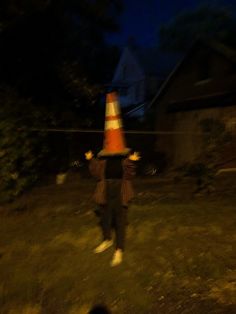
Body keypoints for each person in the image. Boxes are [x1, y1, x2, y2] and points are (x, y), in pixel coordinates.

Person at [85, 150, 140, 266]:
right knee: (105, 218)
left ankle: (119, 249)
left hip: (121, 191)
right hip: (106, 190)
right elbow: (96, 174)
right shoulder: (103, 161)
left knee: (120, 221)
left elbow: (130, 175)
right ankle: (107, 240)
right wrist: (91, 160)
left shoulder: (125, 161)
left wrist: (131, 161)